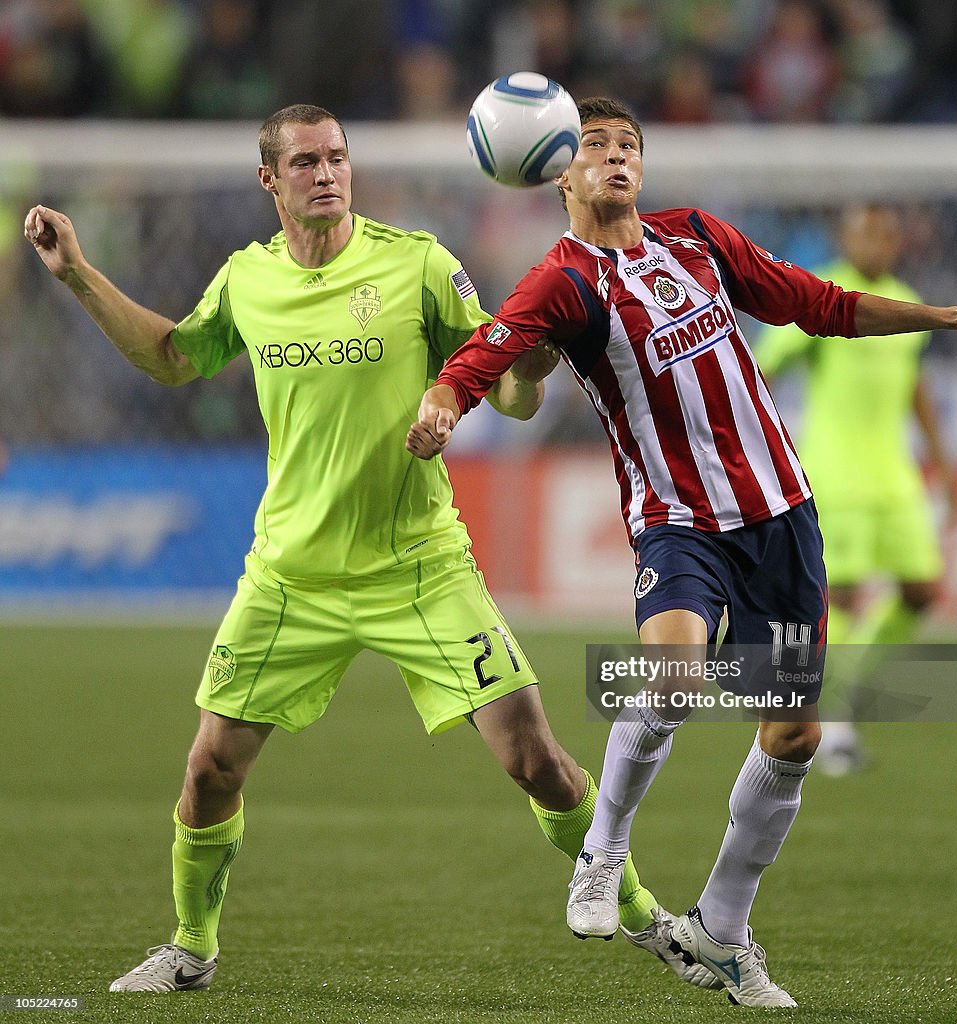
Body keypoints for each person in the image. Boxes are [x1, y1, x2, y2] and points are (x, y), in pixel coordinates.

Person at [24, 104, 708, 995]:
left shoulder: (417, 262)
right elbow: (171, 359)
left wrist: (532, 361)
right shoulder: (246, 280)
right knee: (208, 771)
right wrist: (77, 273)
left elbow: (509, 393)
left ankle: (649, 914)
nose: (328, 173)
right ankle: (191, 947)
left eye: (338, 157)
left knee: (535, 758)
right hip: (290, 576)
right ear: (269, 180)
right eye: (306, 160)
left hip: (418, 563)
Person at [408, 96, 957, 1008]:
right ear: (556, 170)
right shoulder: (562, 280)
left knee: (792, 732)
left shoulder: (699, 240)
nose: (617, 157)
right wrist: (446, 401)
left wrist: (949, 317)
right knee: (674, 674)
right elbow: (492, 350)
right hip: (678, 520)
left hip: (782, 516)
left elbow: (818, 303)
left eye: (629, 144)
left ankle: (723, 929)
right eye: (595, 145)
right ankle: (601, 853)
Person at [753, 203, 956, 774]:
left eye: (888, 234)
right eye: (867, 234)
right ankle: (825, 713)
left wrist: (940, 466)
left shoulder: (903, 298)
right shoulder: (823, 300)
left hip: (895, 478)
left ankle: (845, 684)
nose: (878, 244)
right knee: (837, 601)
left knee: (922, 591)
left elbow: (914, 386)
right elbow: (764, 370)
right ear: (846, 239)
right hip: (835, 476)